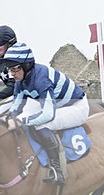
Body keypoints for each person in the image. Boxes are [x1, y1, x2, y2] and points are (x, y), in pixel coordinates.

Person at [4, 43, 89, 185]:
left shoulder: (41, 79)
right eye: (10, 69)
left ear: (27, 65)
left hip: (76, 106)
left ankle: (57, 170)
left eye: (15, 69)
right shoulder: (20, 80)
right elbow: (16, 107)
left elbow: (48, 114)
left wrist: (21, 121)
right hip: (58, 106)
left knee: (42, 124)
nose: (12, 73)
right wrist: (10, 118)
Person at [0, 25, 18, 101]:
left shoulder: (16, 58)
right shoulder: (1, 60)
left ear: (9, 44)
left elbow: (14, 87)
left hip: (33, 97)